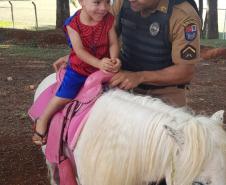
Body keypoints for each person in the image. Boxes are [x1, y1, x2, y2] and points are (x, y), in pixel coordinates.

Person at [55, 0, 201, 108]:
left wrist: (139, 76)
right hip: (123, 82)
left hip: (165, 92)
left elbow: (185, 71)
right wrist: (76, 57)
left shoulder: (182, 16)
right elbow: (102, 38)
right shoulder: (124, 3)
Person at [32, 0, 121, 145]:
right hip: (80, 69)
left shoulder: (108, 18)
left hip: (103, 68)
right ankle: (43, 119)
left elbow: (113, 43)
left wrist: (114, 59)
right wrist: (99, 63)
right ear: (81, 2)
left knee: (121, 90)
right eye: (97, 2)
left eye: (107, 2)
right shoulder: (73, 24)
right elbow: (79, 51)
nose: (103, 8)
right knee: (65, 95)